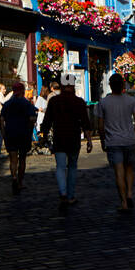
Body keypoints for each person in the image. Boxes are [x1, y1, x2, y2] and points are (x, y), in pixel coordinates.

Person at [41, 76, 94, 212]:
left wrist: (44, 135)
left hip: (59, 138)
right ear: (73, 85)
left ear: (62, 86)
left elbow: (47, 121)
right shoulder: (79, 102)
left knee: (60, 167)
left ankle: (63, 193)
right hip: (73, 139)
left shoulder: (54, 101)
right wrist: (89, 141)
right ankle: (70, 196)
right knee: (72, 167)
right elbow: (85, 123)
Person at [93, 73, 135, 213]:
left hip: (113, 141)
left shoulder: (103, 103)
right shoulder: (131, 101)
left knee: (119, 172)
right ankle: (130, 193)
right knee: (129, 168)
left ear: (110, 85)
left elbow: (100, 126)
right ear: (123, 85)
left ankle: (124, 202)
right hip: (129, 140)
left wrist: (103, 141)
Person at [0, 82, 39, 193]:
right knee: (22, 159)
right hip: (23, 134)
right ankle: (20, 182)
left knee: (13, 159)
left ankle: (13, 177)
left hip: (10, 133)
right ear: (22, 91)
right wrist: (30, 132)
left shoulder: (7, 104)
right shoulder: (27, 104)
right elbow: (32, 119)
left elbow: (1, 120)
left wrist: (4, 134)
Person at [33, 83, 52, 155]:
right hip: (41, 117)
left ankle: (44, 143)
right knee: (42, 132)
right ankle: (42, 144)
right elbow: (37, 108)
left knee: (45, 131)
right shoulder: (40, 98)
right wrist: (41, 110)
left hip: (45, 116)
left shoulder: (47, 98)